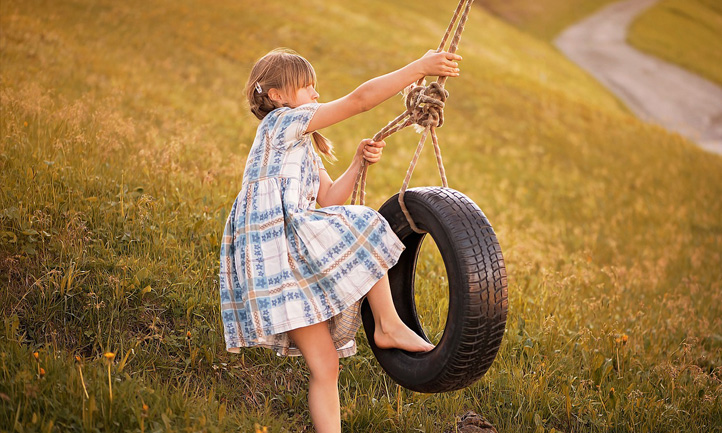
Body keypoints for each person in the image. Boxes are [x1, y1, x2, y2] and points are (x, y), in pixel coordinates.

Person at [219, 47, 461, 432]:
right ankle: (387, 324)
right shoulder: (280, 124)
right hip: (276, 253)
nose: (316, 94)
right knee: (363, 223)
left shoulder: (303, 150)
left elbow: (331, 199)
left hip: (284, 262)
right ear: (279, 96)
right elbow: (359, 101)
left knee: (326, 365)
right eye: (308, 87)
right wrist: (420, 68)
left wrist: (357, 163)